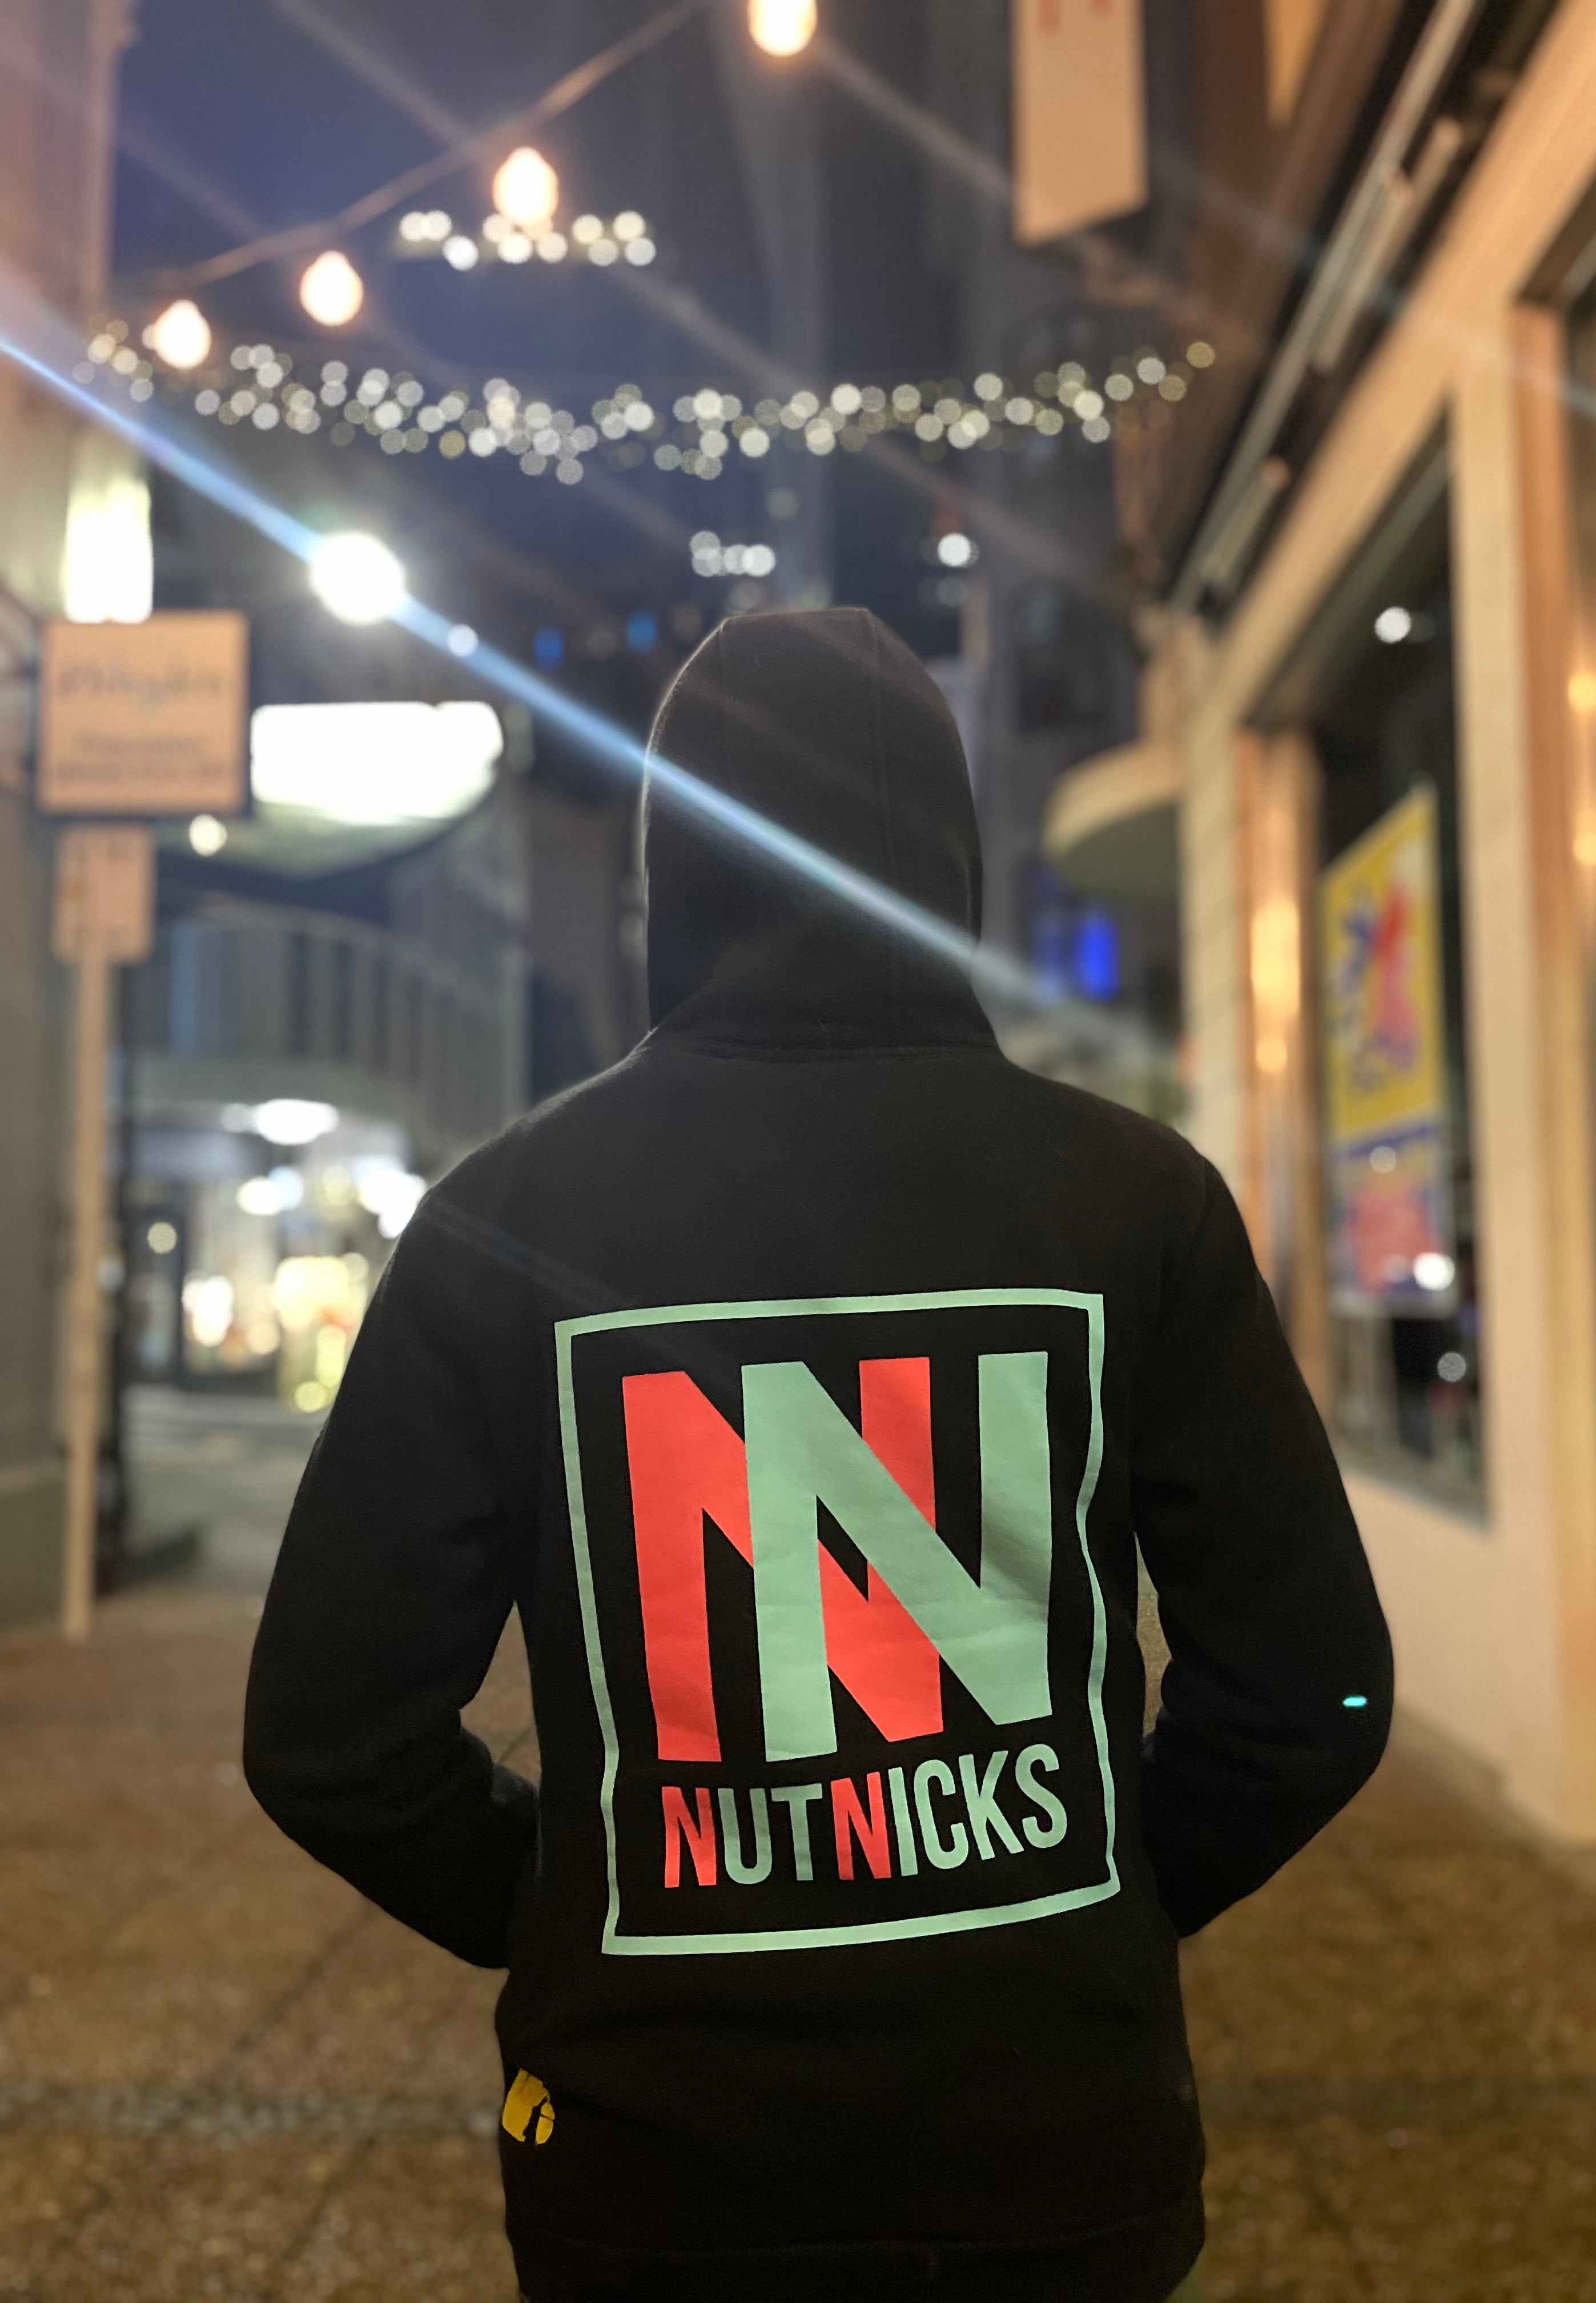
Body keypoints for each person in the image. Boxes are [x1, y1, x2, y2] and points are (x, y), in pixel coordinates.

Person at [244, 607, 1392, 2303]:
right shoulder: (1135, 1201)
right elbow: (1313, 1694)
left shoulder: (507, 1217)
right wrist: (1111, 1892)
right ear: (953, 867)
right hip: (1059, 2147)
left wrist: (566, 1897)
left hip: (656, 2161)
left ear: (673, 870)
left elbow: (328, 1737)